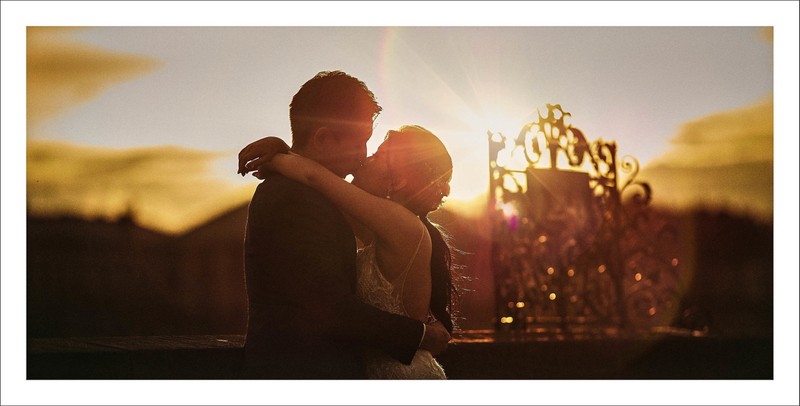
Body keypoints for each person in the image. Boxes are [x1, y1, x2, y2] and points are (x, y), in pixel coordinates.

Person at [237, 70, 450, 379]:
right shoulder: (295, 199)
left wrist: (283, 154)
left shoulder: (326, 197)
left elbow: (313, 174)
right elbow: (329, 311)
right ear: (323, 138)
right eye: (362, 143)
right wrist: (420, 335)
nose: (364, 157)